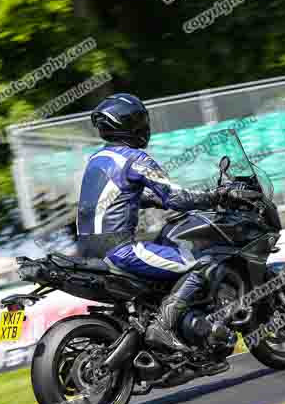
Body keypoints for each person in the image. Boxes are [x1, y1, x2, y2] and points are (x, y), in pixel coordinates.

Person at [78, 93, 233, 359]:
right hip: (120, 250)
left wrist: (151, 201)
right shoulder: (135, 158)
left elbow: (116, 197)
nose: (145, 126)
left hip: (89, 251)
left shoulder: (98, 158)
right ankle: (162, 326)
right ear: (128, 125)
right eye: (140, 120)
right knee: (203, 262)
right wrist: (216, 196)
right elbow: (176, 197)